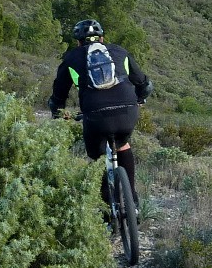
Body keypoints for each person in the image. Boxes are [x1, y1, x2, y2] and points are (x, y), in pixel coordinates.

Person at [49, 19, 153, 213]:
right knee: (123, 144)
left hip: (95, 115)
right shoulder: (120, 52)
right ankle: (134, 203)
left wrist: (58, 113)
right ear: (103, 38)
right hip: (127, 111)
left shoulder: (71, 58)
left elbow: (58, 96)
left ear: (78, 42)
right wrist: (139, 99)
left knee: (97, 157)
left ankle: (107, 211)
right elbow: (144, 85)